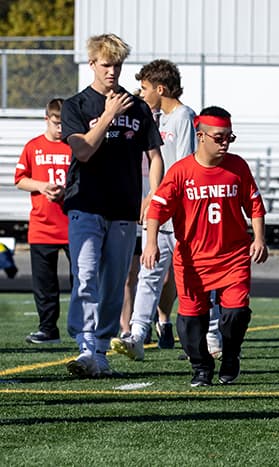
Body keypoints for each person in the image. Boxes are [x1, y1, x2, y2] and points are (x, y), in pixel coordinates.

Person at [61, 33, 164, 378]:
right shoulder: (76, 105)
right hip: (85, 203)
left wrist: (154, 193)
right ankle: (86, 345)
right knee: (86, 276)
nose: (112, 71)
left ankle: (100, 347)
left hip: (123, 207)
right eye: (106, 64)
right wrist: (107, 116)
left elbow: (155, 154)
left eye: (117, 65)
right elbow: (83, 150)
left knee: (115, 281)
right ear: (92, 64)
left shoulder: (138, 108)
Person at [143, 106, 268, 387]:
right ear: (200, 136)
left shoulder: (238, 167)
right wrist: (151, 243)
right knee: (190, 324)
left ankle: (231, 355)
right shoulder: (180, 172)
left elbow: (255, 205)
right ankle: (201, 367)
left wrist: (259, 238)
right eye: (219, 138)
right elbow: (156, 210)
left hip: (233, 256)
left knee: (236, 313)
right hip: (193, 259)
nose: (225, 143)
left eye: (229, 138)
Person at [111, 59, 197, 360]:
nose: (141, 92)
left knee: (192, 275)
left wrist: (157, 196)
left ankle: (204, 337)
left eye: (145, 88)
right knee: (149, 271)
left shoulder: (184, 116)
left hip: (183, 212)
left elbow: (185, 166)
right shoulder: (156, 119)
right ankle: (136, 334)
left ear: (161, 88)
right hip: (161, 210)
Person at [15, 98, 72, 344]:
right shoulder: (33, 146)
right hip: (42, 226)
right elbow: (20, 179)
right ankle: (48, 329)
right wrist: (41, 186)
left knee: (83, 281)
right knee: (44, 284)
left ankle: (85, 330)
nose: (61, 128)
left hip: (73, 224)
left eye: (64, 123)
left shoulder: (75, 145)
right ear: (47, 119)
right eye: (56, 123)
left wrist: (65, 190)